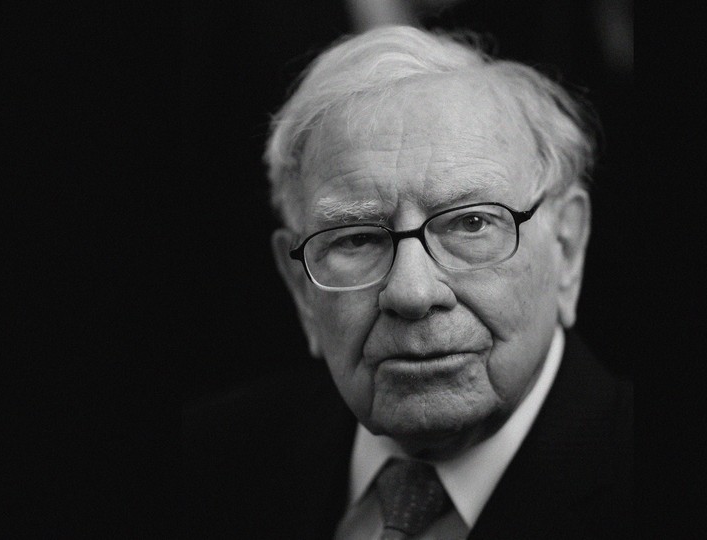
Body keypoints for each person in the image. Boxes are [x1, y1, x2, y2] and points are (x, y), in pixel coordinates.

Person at [182, 25, 631, 539]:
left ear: (567, 247)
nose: (412, 293)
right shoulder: (200, 464)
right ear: (301, 288)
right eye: (355, 240)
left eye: (471, 223)